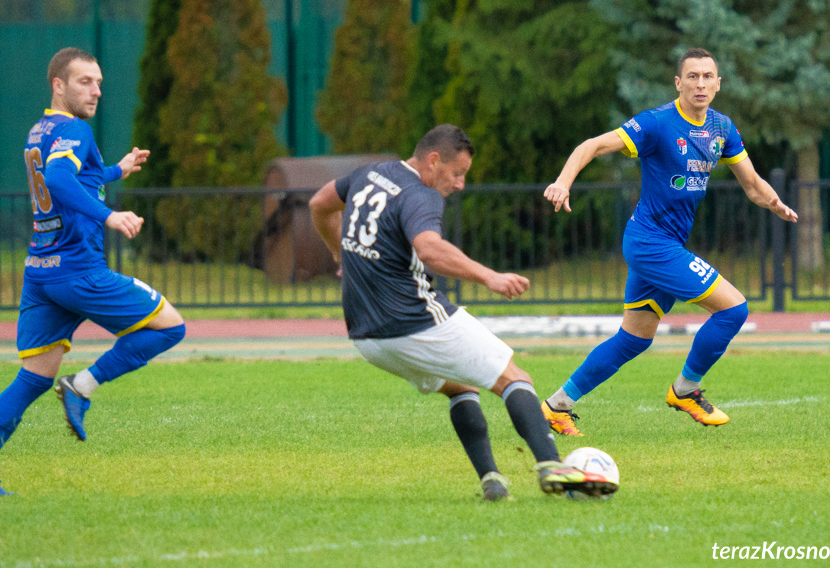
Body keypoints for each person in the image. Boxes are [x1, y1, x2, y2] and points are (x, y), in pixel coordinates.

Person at [309, 124, 615, 500]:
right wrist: (491, 277)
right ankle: (553, 466)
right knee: (514, 377)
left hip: (366, 337)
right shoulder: (420, 195)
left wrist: (338, 251)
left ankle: (492, 482)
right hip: (414, 320)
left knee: (462, 386)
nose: (461, 184)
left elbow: (320, 203)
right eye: (458, 174)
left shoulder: (370, 173)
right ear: (434, 161)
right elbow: (430, 250)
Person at [540, 48, 798, 436]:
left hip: (664, 244)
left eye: (707, 77)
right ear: (678, 83)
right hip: (650, 243)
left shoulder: (721, 128)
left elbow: (752, 182)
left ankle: (556, 406)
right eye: (692, 76)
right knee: (733, 310)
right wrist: (563, 181)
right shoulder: (657, 124)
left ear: (718, 84)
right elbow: (591, 145)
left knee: (633, 339)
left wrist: (773, 202)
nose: (700, 84)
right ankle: (685, 389)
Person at [0, 47, 185, 494]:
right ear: (57, 85)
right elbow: (61, 181)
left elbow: (75, 176)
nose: (96, 90)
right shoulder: (75, 130)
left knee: (31, 380)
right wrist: (110, 217)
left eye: (99, 82)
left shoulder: (40, 129)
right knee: (170, 328)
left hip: (41, 272)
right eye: (85, 81)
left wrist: (115, 170)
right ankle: (82, 387)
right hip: (78, 271)